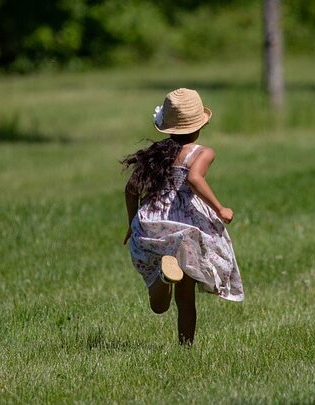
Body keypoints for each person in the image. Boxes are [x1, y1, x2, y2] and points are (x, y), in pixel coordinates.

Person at [122, 88, 244, 345]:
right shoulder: (201, 153)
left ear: (166, 127)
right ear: (200, 125)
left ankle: (165, 277)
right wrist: (220, 209)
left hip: (153, 222)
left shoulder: (156, 153)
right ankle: (185, 347)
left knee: (159, 306)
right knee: (186, 296)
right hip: (184, 226)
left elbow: (131, 189)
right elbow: (194, 178)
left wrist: (132, 224)